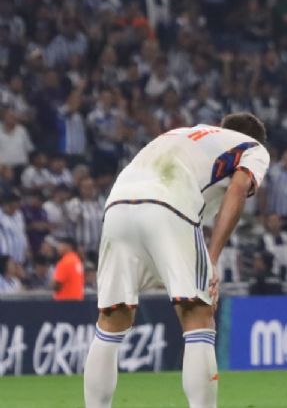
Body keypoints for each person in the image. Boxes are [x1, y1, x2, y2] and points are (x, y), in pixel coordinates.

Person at [83, 113, 271, 408]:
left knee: (112, 319)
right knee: (198, 316)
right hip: (169, 205)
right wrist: (213, 257)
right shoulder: (252, 148)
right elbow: (238, 189)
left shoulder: (186, 134)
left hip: (117, 205)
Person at [52, 235, 84, 300]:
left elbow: (56, 285)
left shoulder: (65, 261)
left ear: (69, 247)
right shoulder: (76, 260)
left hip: (65, 302)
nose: (58, 248)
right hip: (77, 301)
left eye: (61, 245)